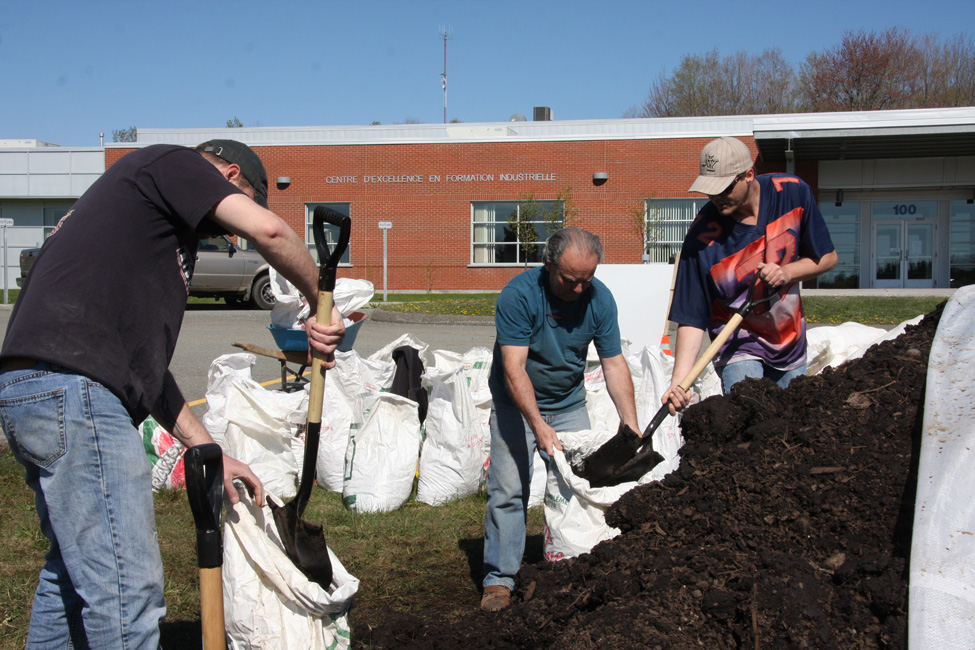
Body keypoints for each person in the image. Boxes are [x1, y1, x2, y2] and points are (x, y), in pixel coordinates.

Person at [0, 139, 345, 648]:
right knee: (125, 591)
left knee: (71, 579)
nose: (233, 231)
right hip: (78, 390)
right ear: (228, 177)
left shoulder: (147, 232)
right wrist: (322, 301)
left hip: (37, 389)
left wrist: (207, 449)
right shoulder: (171, 162)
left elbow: (149, 372)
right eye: (242, 203)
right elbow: (269, 230)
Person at [481, 226, 639, 611]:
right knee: (509, 489)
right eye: (571, 280)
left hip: (569, 401)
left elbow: (614, 363)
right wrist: (538, 425)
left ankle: (573, 567)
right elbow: (514, 369)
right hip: (515, 403)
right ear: (548, 265)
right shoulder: (519, 296)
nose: (580, 289)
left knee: (576, 488)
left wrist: (630, 425)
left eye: (588, 279)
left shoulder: (599, 300)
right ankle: (500, 580)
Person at [663, 136, 837, 414]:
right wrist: (679, 383)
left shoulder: (793, 194)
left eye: (723, 188)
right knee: (749, 418)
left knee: (792, 422)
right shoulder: (700, 239)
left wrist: (787, 272)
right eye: (709, 190)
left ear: (748, 175)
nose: (715, 198)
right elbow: (691, 318)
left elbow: (827, 258)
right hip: (736, 345)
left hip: (789, 341)